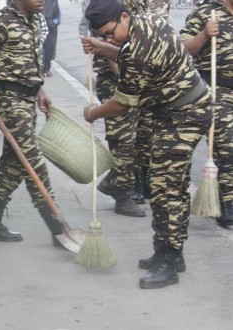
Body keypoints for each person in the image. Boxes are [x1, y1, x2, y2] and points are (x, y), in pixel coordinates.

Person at [82, 0, 212, 289]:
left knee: (166, 187)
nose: (109, 38)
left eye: (109, 32)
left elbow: (120, 104)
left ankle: (170, 260)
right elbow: (126, 53)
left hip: (186, 113)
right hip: (173, 111)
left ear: (125, 17)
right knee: (169, 184)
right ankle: (168, 252)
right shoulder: (145, 23)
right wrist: (103, 47)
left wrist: (93, 112)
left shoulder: (140, 49)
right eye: (103, 35)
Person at [0, 0, 66, 246]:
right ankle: (58, 228)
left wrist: (39, 89)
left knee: (12, 165)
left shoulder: (31, 19)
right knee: (32, 162)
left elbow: (28, 65)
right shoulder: (2, 20)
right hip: (11, 103)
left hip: (27, 100)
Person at [78, 7, 146, 217]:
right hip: (115, 83)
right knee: (123, 140)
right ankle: (122, 196)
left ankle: (114, 180)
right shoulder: (107, 16)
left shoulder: (128, 14)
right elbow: (117, 63)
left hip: (133, 82)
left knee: (138, 140)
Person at [181, 0, 232, 227]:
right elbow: (184, 49)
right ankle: (228, 202)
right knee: (228, 144)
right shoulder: (204, 12)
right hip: (217, 87)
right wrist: (204, 33)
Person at [121, 0, 172, 204]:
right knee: (130, 134)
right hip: (130, 71)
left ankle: (147, 180)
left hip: (154, 74)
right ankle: (133, 182)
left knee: (150, 131)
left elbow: (160, 28)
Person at [42, 0, 61, 77]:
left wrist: (54, 22)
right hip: (41, 27)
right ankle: (42, 69)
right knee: (41, 48)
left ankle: (47, 68)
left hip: (51, 28)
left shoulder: (54, 1)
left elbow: (58, 16)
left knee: (50, 48)